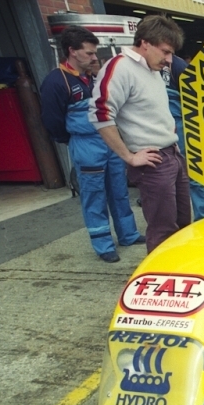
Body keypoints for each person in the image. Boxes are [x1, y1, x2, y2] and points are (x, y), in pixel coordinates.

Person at [40, 25, 143, 263]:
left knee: (119, 191)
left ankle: (128, 234)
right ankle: (103, 244)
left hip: (111, 143)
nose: (94, 57)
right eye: (89, 53)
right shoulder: (56, 82)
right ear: (72, 51)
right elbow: (52, 121)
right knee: (94, 197)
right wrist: (73, 141)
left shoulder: (91, 77)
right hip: (86, 147)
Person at [89, 15, 191, 253]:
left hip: (172, 154)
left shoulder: (153, 69)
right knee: (163, 229)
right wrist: (129, 157)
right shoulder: (120, 67)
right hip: (152, 160)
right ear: (145, 43)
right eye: (165, 52)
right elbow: (100, 114)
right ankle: (162, 280)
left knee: (184, 224)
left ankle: (183, 274)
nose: (169, 60)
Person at [162, 55, 204, 221]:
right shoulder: (145, 67)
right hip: (159, 128)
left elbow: (196, 97)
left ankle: (201, 218)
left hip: (183, 126)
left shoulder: (178, 66)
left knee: (192, 173)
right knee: (167, 177)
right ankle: (177, 221)